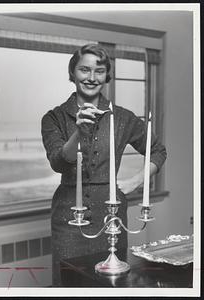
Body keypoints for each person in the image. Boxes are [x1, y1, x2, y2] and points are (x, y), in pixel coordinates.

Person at [41, 44, 167, 286]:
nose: (91, 77)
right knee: (69, 283)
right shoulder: (54, 117)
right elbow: (58, 162)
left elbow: (158, 151)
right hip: (68, 219)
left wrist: (137, 180)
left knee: (112, 284)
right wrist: (78, 132)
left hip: (112, 217)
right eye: (84, 70)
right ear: (72, 73)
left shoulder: (124, 118)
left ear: (106, 76)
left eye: (99, 71)